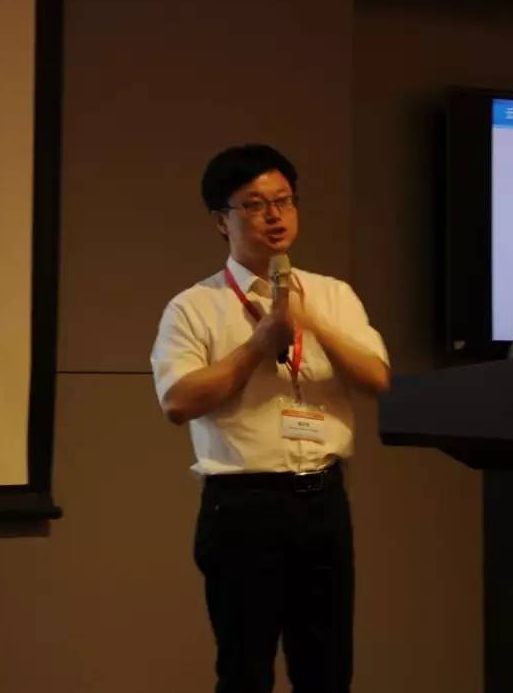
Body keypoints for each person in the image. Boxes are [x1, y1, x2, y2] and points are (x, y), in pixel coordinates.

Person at [150, 144, 390, 693]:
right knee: (245, 671)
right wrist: (260, 342)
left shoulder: (333, 295)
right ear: (221, 220)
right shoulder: (194, 307)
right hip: (243, 507)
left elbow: (376, 379)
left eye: (284, 201)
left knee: (327, 670)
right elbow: (178, 402)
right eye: (255, 205)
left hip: (324, 499)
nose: (275, 216)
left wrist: (311, 323)